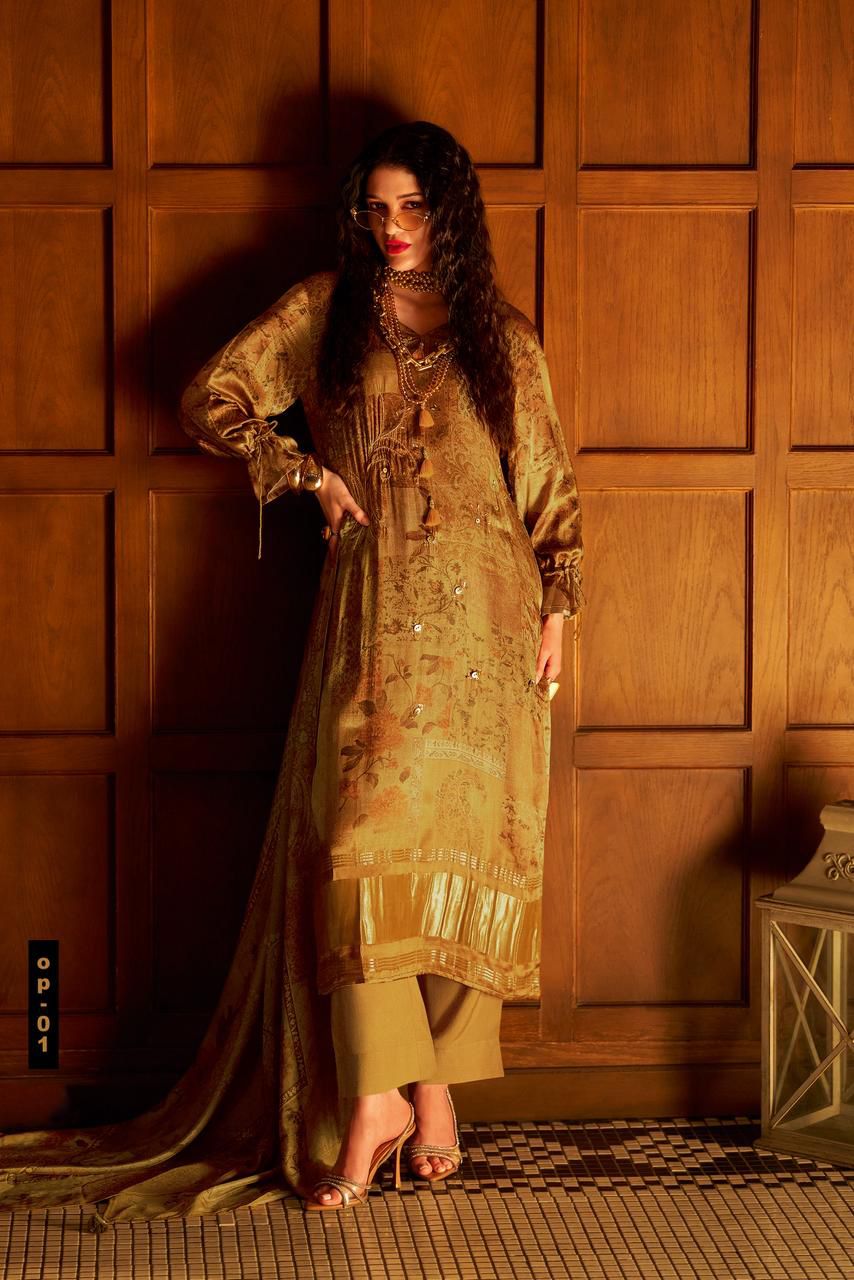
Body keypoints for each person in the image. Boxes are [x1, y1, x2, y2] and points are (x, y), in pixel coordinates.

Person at [0, 120, 584, 1225]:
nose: (393, 227)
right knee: (360, 850)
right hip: (374, 620)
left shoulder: (501, 336)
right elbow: (209, 395)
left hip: (493, 632)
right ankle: (373, 1097)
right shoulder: (326, 311)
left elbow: (547, 486)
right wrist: (303, 472)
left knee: (473, 860)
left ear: (449, 212)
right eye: (376, 208)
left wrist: (559, 607)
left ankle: (434, 1094)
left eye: (413, 207)